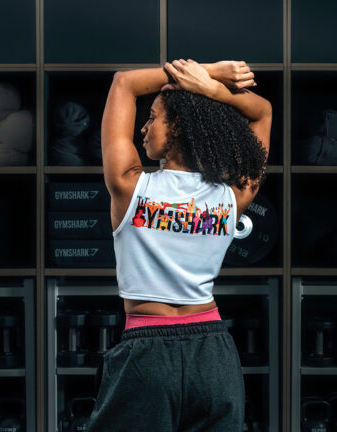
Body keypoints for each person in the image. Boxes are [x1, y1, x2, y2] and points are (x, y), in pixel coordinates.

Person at [87, 59, 271, 431]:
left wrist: (212, 72)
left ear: (178, 128)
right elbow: (263, 111)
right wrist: (211, 87)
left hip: (147, 352)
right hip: (215, 354)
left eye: (153, 117)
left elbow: (124, 83)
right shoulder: (234, 194)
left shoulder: (130, 185)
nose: (144, 126)